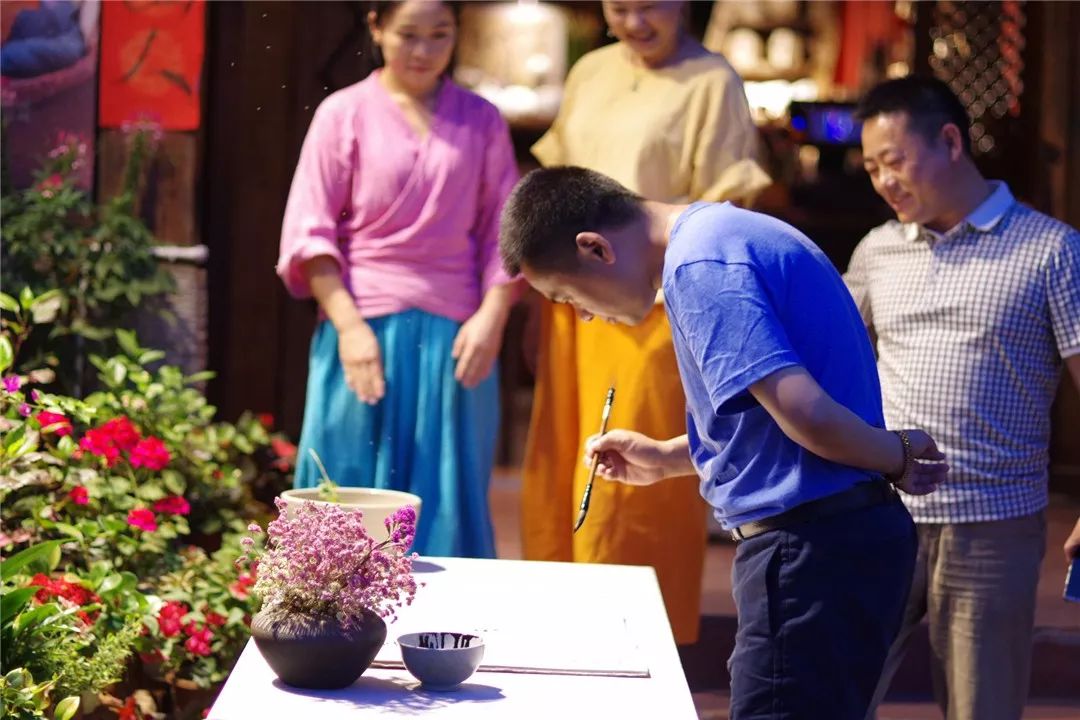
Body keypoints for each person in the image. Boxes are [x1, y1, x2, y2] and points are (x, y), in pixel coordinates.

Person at [499, 166, 948, 718]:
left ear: (595, 248)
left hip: (811, 546)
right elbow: (772, 425)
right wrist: (666, 458)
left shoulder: (699, 265)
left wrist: (899, 455)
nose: (586, 316)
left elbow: (805, 413)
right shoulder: (718, 238)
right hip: (827, 540)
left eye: (568, 297)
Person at [522, 0, 770, 645]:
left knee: (632, 473)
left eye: (649, 7)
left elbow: (725, 203)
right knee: (563, 461)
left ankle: (634, 639)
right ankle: (559, 628)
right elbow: (557, 182)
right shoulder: (594, 71)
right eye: (619, 8)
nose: (634, 23)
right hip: (578, 302)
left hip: (652, 303)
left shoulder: (711, 79)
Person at [845, 76, 1080, 720]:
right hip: (882, 510)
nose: (884, 182)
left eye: (894, 162)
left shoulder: (1052, 250)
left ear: (950, 141)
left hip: (994, 520)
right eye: (871, 169)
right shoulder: (877, 250)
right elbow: (826, 361)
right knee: (839, 685)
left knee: (983, 704)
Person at [276, 0, 519, 558]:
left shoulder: (481, 120)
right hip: (359, 331)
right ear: (376, 26)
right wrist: (350, 330)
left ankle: (450, 642)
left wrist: (492, 317)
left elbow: (505, 234)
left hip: (458, 340)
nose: (424, 51)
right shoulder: (343, 114)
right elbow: (310, 233)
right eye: (409, 34)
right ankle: (329, 640)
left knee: (448, 504)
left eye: (440, 35)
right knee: (340, 504)